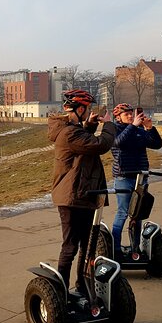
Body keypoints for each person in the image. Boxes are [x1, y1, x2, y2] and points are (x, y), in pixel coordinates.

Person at [47, 89, 115, 292]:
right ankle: (60, 294)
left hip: (80, 194)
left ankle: (83, 287)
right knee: (70, 247)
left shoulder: (70, 129)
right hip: (73, 197)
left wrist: (91, 125)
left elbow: (83, 141)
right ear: (80, 109)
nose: (89, 112)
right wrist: (108, 124)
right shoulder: (69, 133)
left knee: (87, 247)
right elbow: (99, 145)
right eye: (88, 109)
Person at [110, 103, 162, 259]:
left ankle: (135, 248)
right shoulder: (114, 129)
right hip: (123, 176)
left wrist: (150, 128)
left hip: (141, 176)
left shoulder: (138, 130)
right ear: (118, 117)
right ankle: (116, 249)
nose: (130, 116)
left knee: (138, 214)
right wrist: (133, 126)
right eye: (126, 114)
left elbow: (157, 144)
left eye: (131, 114)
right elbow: (119, 143)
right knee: (123, 212)